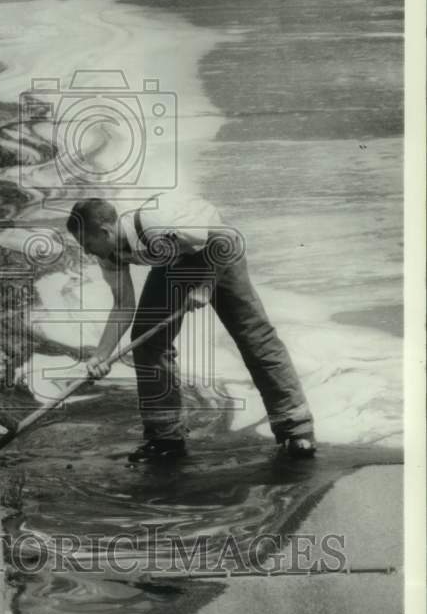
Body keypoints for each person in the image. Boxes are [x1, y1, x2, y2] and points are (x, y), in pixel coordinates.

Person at [67, 194, 317, 460]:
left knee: (254, 336)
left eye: (87, 243)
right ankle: (165, 438)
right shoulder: (109, 253)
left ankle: (296, 429)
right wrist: (100, 356)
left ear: (105, 231)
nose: (86, 251)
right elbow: (122, 305)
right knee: (148, 343)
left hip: (217, 251)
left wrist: (205, 284)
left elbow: (224, 239)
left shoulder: (154, 223)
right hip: (175, 263)